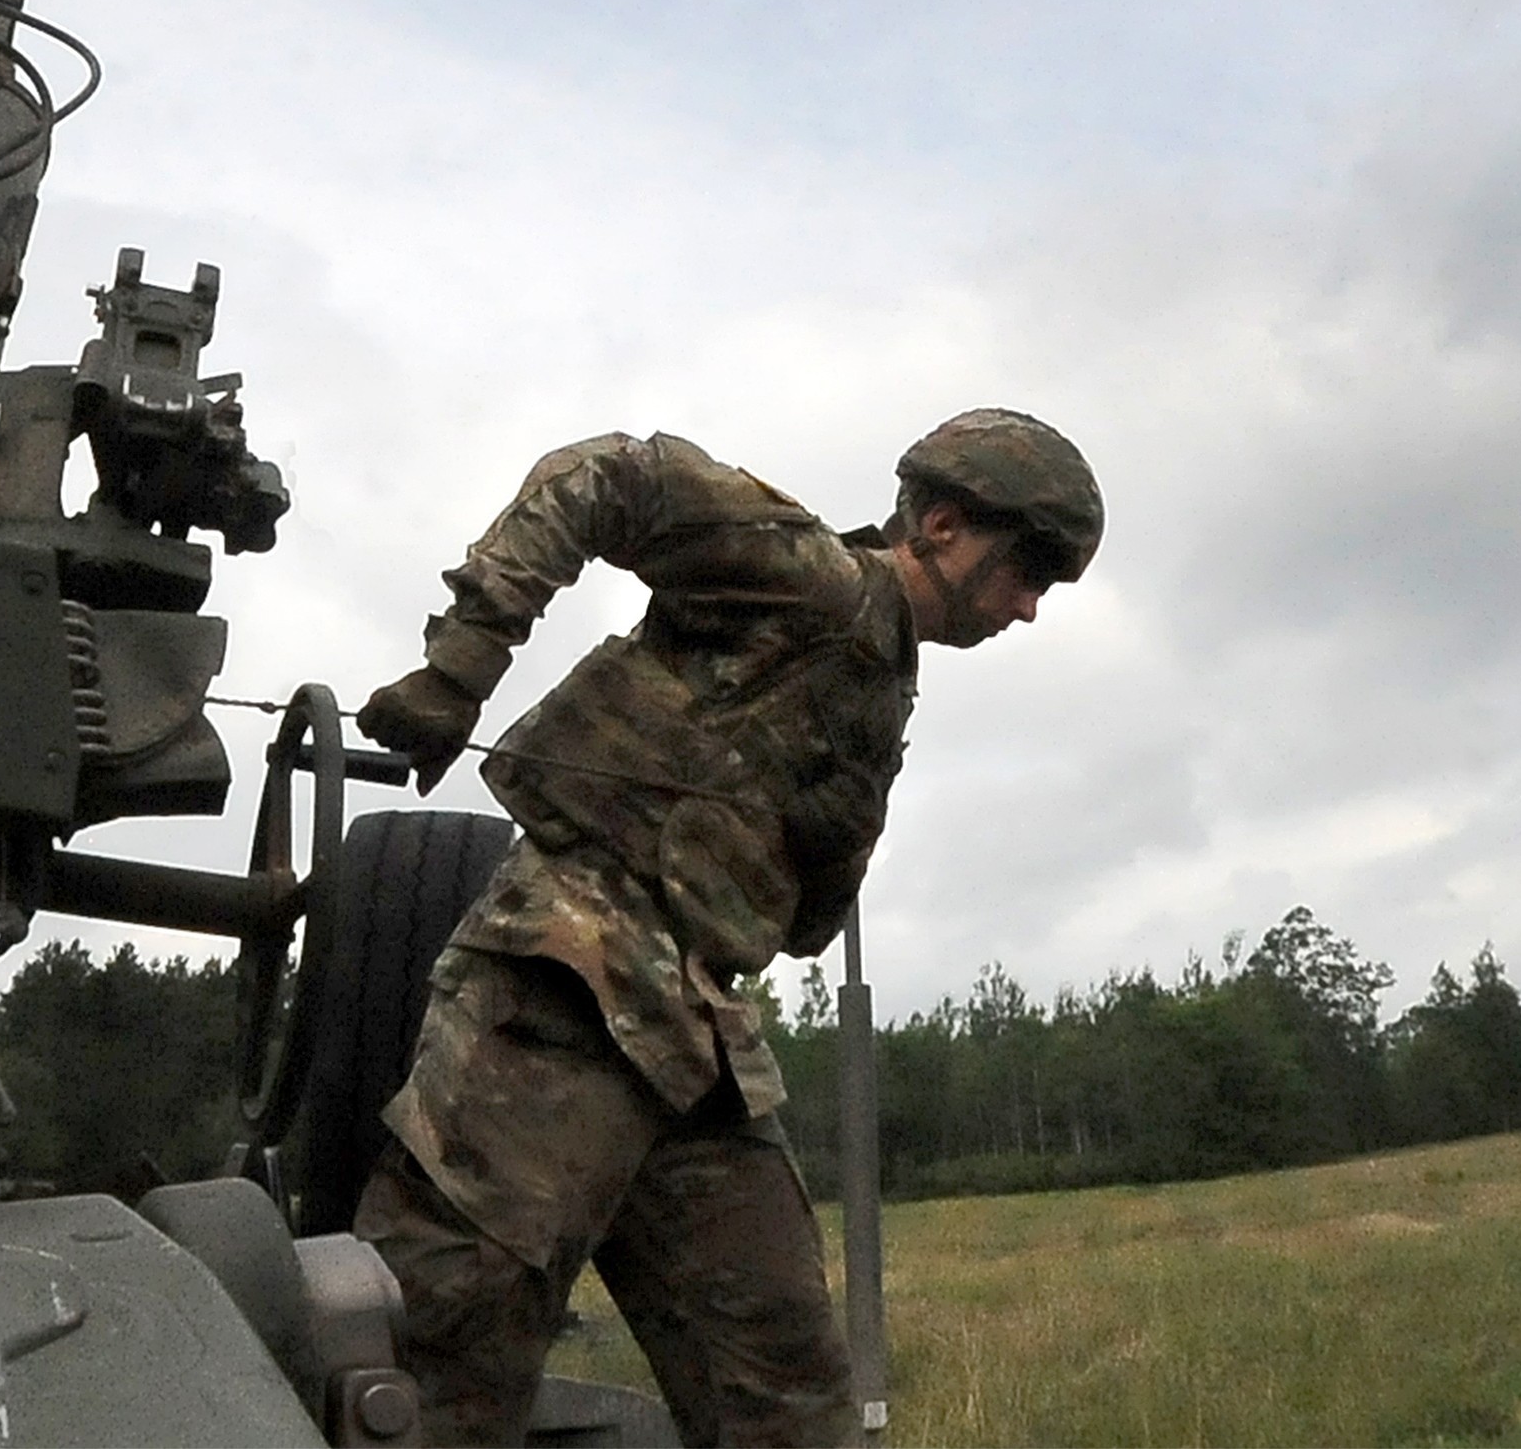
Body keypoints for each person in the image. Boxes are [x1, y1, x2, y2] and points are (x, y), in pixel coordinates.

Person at [347, 410, 1102, 1449]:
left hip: (696, 1049)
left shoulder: (880, 683)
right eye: (1029, 572)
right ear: (940, 524)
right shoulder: (817, 581)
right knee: (435, 1376)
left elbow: (798, 929)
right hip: (566, 986)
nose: (1028, 609)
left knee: (787, 1404)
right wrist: (459, 668)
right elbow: (607, 475)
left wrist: (826, 851)